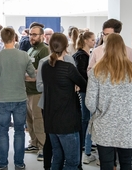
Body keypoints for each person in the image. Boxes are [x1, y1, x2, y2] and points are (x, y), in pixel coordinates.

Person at [85, 33, 132, 170]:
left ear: (105, 48)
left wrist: (98, 112)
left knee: (106, 164)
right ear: (123, 48)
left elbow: (89, 102)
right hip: (126, 125)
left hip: (104, 125)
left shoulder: (97, 70)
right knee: (126, 163)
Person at [0, 27, 36, 170]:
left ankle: (3, 164)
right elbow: (32, 75)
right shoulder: (24, 55)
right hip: (20, 98)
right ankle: (19, 163)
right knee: (19, 131)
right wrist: (21, 77)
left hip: (3, 99)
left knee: (2, 132)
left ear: (1, 39)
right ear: (15, 38)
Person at [41, 32, 86, 170]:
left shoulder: (45, 66)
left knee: (58, 157)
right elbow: (84, 84)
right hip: (67, 121)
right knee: (72, 162)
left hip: (51, 120)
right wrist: (75, 86)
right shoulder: (68, 67)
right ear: (66, 46)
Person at [36, 35, 77, 170]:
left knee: (63, 149)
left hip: (67, 105)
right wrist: (57, 85)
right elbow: (39, 86)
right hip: (48, 105)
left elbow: (77, 82)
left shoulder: (70, 60)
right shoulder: (44, 62)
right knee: (51, 142)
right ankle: (47, 166)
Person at [24, 23, 49, 161]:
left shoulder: (44, 50)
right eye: (30, 34)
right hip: (27, 90)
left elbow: (44, 71)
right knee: (30, 120)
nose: (31, 37)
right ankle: (33, 143)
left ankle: (43, 147)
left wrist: (30, 75)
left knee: (38, 120)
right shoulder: (30, 50)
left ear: (42, 36)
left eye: (34, 34)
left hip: (37, 92)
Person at [72, 31, 96, 165]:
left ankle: (85, 148)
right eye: (92, 40)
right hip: (85, 91)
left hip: (86, 91)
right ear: (86, 40)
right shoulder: (81, 56)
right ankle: (85, 151)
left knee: (86, 120)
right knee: (86, 121)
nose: (94, 42)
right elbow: (82, 75)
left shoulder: (86, 55)